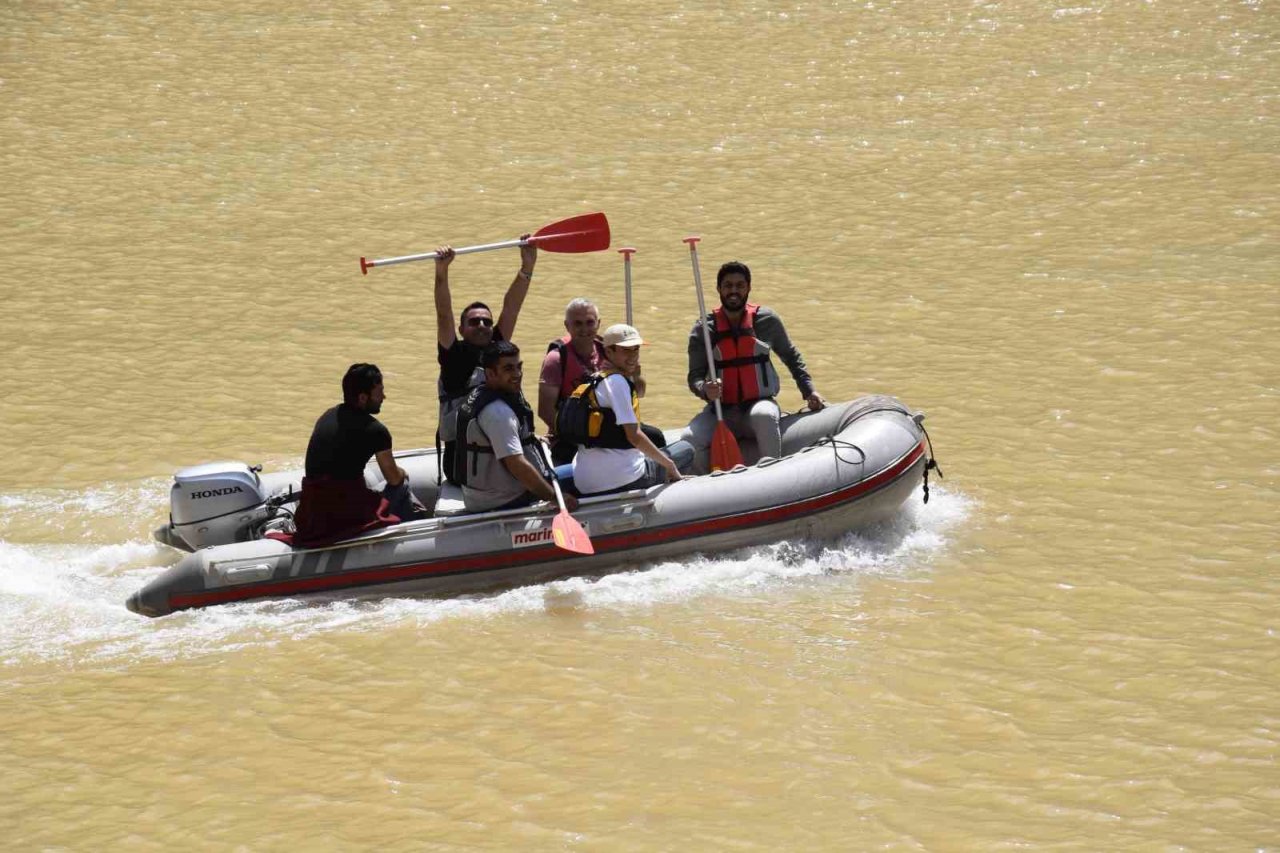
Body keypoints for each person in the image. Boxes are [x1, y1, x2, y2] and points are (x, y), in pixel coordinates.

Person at [685, 260, 825, 463]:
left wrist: (809, 390)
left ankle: (771, 475)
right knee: (689, 439)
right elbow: (694, 377)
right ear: (719, 289)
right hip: (720, 411)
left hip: (759, 404)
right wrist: (705, 389)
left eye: (740, 285)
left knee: (764, 416)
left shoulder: (767, 320)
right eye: (728, 285)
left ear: (748, 288)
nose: (734, 291)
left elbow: (791, 357)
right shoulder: (704, 330)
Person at [434, 238, 537, 482]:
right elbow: (443, 312)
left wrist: (527, 267)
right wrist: (442, 271)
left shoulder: (498, 348)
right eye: (474, 322)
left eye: (487, 321)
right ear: (461, 328)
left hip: (499, 452)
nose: (482, 325)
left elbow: (511, 307)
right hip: (464, 463)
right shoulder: (453, 356)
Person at [292, 364, 423, 547]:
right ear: (363, 397)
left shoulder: (328, 415)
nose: (384, 397)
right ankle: (415, 541)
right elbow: (393, 479)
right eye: (380, 392)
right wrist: (402, 473)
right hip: (343, 515)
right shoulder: (376, 430)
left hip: (313, 512)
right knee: (402, 485)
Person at [449, 341, 578, 513]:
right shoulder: (498, 413)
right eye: (508, 369)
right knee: (585, 473)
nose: (517, 374)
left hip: (482, 494)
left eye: (519, 366)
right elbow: (517, 465)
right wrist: (556, 497)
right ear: (490, 373)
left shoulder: (479, 395)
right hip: (503, 499)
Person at [563, 324, 684, 496]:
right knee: (685, 449)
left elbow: (639, 393)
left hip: (585, 482)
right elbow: (634, 436)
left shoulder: (595, 379)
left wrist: (635, 373)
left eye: (636, 349)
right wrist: (669, 465)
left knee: (655, 437)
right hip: (622, 479)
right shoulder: (617, 383)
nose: (633, 355)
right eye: (626, 350)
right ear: (609, 352)